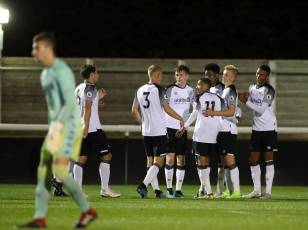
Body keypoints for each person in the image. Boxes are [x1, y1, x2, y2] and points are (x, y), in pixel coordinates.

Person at [18, 32, 96, 228]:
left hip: (69, 127)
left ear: (46, 48)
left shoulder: (62, 71)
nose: (33, 52)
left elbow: (69, 104)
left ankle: (87, 210)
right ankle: (41, 217)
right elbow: (53, 107)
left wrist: (58, 128)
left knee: (59, 170)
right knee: (44, 169)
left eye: (36, 47)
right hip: (57, 128)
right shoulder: (45, 74)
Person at [132, 65, 184, 199]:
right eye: (160, 75)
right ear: (157, 75)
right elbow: (166, 108)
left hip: (146, 131)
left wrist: (142, 123)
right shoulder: (160, 90)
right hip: (159, 131)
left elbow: (134, 110)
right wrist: (180, 118)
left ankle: (157, 191)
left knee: (150, 162)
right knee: (159, 161)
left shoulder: (140, 89)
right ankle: (143, 185)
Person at [73, 64, 121, 198]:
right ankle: (105, 189)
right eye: (97, 73)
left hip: (79, 126)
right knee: (107, 155)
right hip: (91, 128)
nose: (98, 75)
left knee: (81, 158)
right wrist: (86, 127)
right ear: (92, 75)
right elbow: (87, 108)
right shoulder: (90, 88)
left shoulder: (78, 88)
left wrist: (97, 100)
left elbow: (81, 106)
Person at [179, 78, 225, 199]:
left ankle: (208, 192)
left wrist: (184, 127)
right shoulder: (218, 98)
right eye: (198, 84)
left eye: (201, 84)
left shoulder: (198, 97)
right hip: (213, 135)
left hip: (201, 134)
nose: (198, 86)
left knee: (201, 163)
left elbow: (194, 114)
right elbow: (225, 114)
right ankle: (205, 191)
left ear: (208, 87)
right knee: (207, 163)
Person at [238, 65, 277, 199]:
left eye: (262, 74)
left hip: (268, 129)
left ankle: (268, 192)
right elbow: (252, 106)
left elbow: (260, 110)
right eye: (257, 73)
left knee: (268, 160)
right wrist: (245, 98)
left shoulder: (270, 90)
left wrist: (246, 101)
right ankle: (256, 191)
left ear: (267, 76)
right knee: (253, 160)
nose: (259, 76)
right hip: (256, 129)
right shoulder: (252, 87)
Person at [203, 65, 241, 199]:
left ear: (233, 78)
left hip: (228, 130)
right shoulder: (225, 90)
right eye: (224, 74)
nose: (224, 77)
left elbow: (231, 111)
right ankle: (227, 190)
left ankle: (236, 191)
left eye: (227, 75)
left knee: (229, 159)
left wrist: (213, 112)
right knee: (224, 161)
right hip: (222, 129)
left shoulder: (230, 90)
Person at [164, 65, 196, 198]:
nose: (178, 77)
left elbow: (195, 109)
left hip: (182, 129)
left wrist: (186, 124)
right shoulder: (170, 89)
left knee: (181, 159)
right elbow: (164, 108)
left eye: (181, 75)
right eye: (177, 75)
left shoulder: (192, 91)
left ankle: (178, 190)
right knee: (170, 158)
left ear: (187, 76)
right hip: (169, 127)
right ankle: (169, 189)